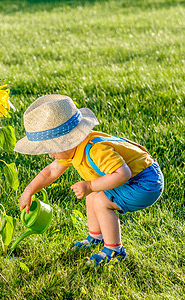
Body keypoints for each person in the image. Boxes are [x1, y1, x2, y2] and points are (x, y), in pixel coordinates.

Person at [14, 94, 164, 266]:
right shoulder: (72, 148)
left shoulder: (95, 150)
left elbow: (123, 174)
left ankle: (114, 251)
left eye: (52, 148)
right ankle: (96, 238)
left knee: (100, 200)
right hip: (133, 177)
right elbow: (50, 172)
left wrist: (90, 184)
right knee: (93, 196)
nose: (50, 154)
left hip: (145, 182)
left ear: (67, 141)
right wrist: (29, 190)